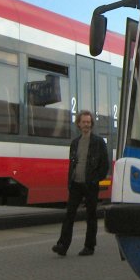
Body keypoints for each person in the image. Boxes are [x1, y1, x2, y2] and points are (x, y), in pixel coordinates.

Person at [52, 110, 109, 257]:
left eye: (89, 122)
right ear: (78, 124)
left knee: (91, 215)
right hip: (76, 184)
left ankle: (89, 246)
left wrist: (95, 179)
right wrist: (69, 183)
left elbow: (104, 165)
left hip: (90, 184)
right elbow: (72, 165)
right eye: (84, 122)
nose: (86, 125)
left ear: (91, 124)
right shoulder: (75, 143)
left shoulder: (98, 142)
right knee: (69, 215)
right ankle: (62, 245)